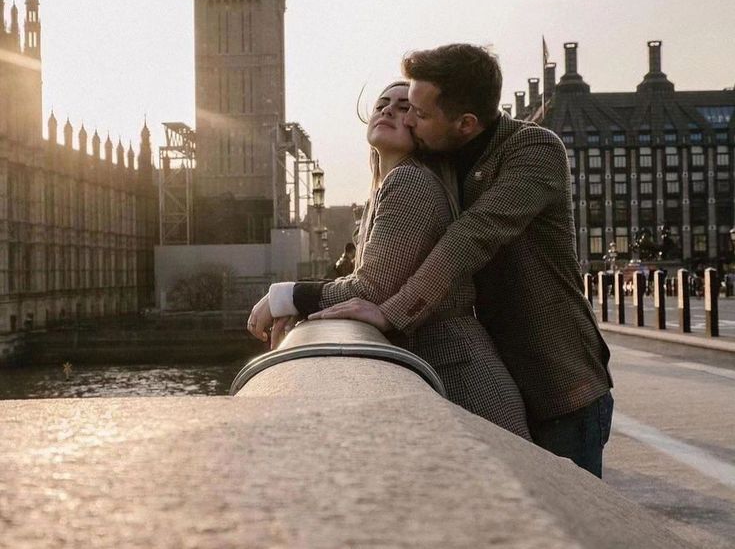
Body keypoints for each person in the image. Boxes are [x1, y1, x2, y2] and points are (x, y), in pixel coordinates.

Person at [308, 44, 614, 478]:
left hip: (559, 383)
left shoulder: (534, 150)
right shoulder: (443, 160)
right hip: (499, 370)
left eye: (419, 113)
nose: (407, 119)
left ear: (465, 124)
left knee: (568, 524)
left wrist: (389, 312)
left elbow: (472, 237)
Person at [248, 80, 530, 439]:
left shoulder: (411, 181)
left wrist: (283, 297)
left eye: (404, 107)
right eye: (383, 103)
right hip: (446, 372)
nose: (388, 110)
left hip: (464, 381)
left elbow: (371, 288)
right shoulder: (388, 187)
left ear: (422, 128)